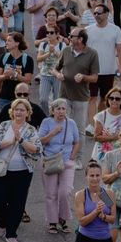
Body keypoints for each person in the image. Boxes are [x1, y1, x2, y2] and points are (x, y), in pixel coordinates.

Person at [0, 99, 42, 242]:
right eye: (16, 109)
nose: (19, 112)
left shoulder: (31, 130)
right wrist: (11, 141)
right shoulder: (5, 125)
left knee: (17, 204)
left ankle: (11, 233)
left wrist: (21, 140)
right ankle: (2, 224)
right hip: (1, 171)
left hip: (22, 172)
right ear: (12, 111)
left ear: (27, 113)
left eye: (22, 110)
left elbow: (37, 150)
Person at [55, 28, 98, 169]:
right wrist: (58, 75)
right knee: (62, 127)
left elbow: (95, 77)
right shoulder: (66, 51)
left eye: (71, 36)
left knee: (79, 130)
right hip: (64, 96)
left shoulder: (92, 54)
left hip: (81, 97)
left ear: (80, 39)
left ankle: (79, 159)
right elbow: (55, 68)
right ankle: (63, 157)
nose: (68, 37)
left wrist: (84, 77)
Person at [40, 99, 80, 234]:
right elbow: (40, 141)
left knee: (65, 192)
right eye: (58, 109)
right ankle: (52, 221)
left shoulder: (71, 123)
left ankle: (63, 219)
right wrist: (53, 133)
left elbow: (76, 142)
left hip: (66, 162)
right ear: (52, 110)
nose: (61, 111)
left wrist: (72, 156)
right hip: (51, 160)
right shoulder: (46, 122)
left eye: (63, 109)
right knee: (51, 193)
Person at [85, 5, 121, 132]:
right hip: (92, 71)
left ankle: (99, 123)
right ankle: (91, 125)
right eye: (95, 13)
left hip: (108, 70)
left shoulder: (115, 30)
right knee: (91, 97)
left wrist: (120, 67)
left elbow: (120, 49)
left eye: (99, 13)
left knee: (104, 98)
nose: (96, 15)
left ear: (107, 14)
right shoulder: (87, 30)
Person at [91, 86, 121, 162]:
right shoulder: (101, 116)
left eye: (117, 99)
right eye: (111, 98)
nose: (114, 100)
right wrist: (114, 137)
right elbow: (96, 137)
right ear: (108, 99)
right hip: (102, 156)